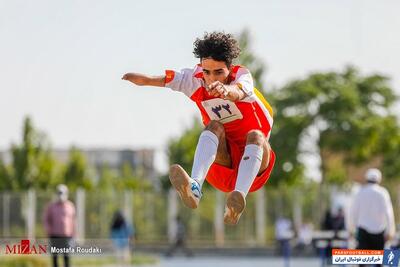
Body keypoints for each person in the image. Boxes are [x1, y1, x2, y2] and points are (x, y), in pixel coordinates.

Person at [122, 31, 275, 225]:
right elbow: (169, 80)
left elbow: (240, 91)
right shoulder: (195, 80)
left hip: (254, 169)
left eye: (219, 72)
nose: (211, 79)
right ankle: (195, 187)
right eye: (207, 72)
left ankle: (237, 200)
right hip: (221, 165)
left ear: (230, 68)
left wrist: (226, 91)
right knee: (213, 126)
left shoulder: (241, 76)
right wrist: (144, 80)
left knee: (256, 136)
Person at [349, 168, 396, 267]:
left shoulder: (360, 192)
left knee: (362, 263)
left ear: (366, 178)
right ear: (379, 179)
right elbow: (389, 213)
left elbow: (353, 212)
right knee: (380, 262)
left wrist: (351, 229)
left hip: (363, 231)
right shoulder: (383, 193)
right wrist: (390, 230)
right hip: (379, 232)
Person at [43, 184, 76, 267]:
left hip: (67, 236)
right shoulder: (51, 206)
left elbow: (73, 220)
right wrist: (49, 230)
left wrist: (74, 232)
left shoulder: (70, 206)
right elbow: (46, 219)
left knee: (66, 256)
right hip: (55, 235)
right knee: (55, 256)